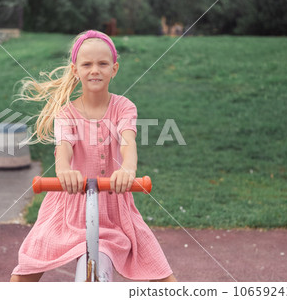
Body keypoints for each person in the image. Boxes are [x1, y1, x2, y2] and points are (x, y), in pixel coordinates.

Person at [10, 30, 176, 282]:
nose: (95, 70)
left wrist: (128, 170)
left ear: (114, 69)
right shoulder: (66, 114)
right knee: (25, 272)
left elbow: (127, 142)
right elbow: (64, 146)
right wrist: (63, 171)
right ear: (75, 70)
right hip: (68, 208)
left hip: (113, 209)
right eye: (87, 64)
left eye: (102, 64)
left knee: (160, 274)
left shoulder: (123, 107)